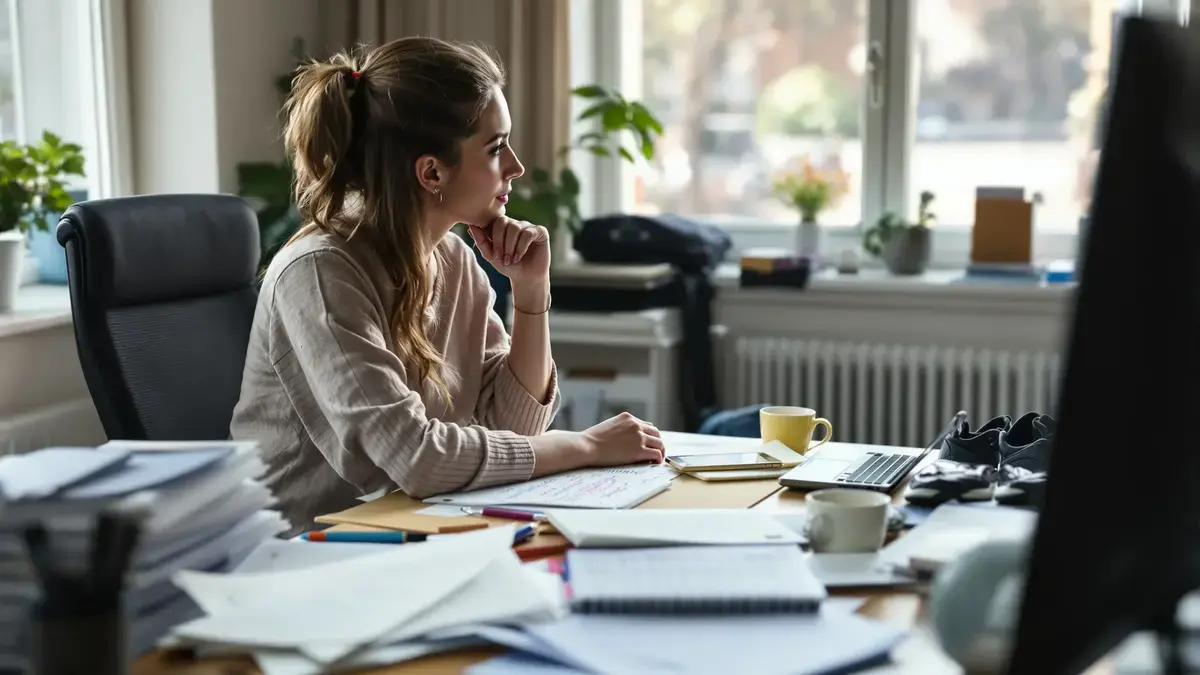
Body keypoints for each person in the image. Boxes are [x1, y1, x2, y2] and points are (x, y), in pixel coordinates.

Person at [231, 37, 666, 535]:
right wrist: (586, 447)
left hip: (407, 533)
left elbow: (515, 427)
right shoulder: (319, 274)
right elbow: (416, 458)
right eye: (496, 148)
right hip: (300, 553)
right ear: (432, 171)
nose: (516, 168)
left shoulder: (452, 258)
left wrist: (530, 293)